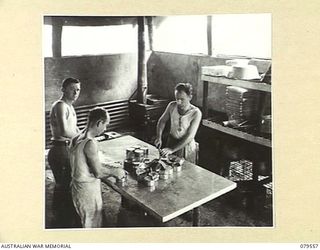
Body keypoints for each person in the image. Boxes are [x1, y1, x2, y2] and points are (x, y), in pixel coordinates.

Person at [69, 107, 126, 228]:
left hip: (77, 188)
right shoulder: (90, 143)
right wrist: (116, 171)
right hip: (87, 191)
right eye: (106, 125)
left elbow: (85, 163)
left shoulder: (76, 138)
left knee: (84, 221)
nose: (105, 129)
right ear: (99, 123)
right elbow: (98, 173)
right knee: (91, 224)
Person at [47, 77, 81, 228]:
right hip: (59, 149)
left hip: (67, 147)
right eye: (72, 89)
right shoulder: (60, 106)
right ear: (63, 89)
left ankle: (62, 215)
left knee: (67, 183)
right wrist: (83, 137)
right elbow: (64, 131)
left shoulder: (69, 107)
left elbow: (75, 129)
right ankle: (59, 219)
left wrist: (84, 136)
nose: (75, 92)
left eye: (78, 89)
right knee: (63, 184)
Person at [155, 83, 202, 163]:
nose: (179, 102)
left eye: (182, 99)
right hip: (171, 142)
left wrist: (172, 149)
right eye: (177, 99)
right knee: (168, 167)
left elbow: (190, 136)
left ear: (190, 97)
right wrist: (159, 137)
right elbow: (162, 121)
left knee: (185, 171)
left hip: (186, 146)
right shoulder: (172, 106)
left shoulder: (196, 113)